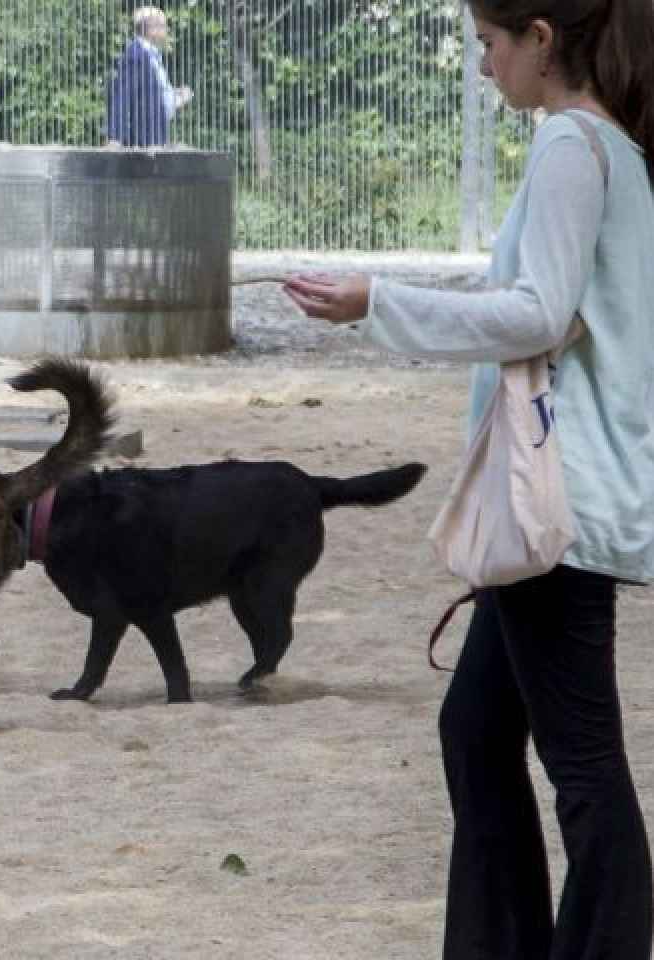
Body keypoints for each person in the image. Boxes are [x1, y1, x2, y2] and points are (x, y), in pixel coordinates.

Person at [285, 1, 654, 956]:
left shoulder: (574, 143)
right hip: (566, 497)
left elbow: (535, 314)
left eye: (489, 45)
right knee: (476, 735)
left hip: (553, 504)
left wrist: (380, 302)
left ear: (540, 38)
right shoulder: (615, 147)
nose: (484, 67)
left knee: (582, 768)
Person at [105, 6, 192, 148]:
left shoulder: (151, 55)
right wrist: (115, 138)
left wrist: (176, 97)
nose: (167, 29)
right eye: (164, 25)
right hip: (143, 141)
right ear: (151, 28)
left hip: (154, 137)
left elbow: (151, 97)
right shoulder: (136, 55)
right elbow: (122, 96)